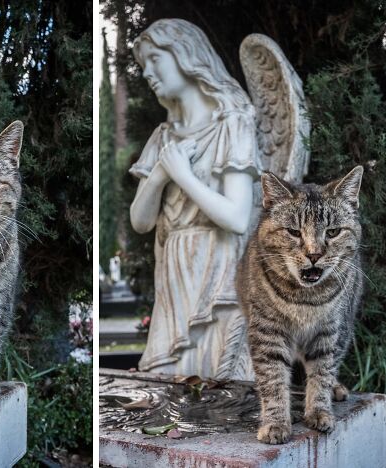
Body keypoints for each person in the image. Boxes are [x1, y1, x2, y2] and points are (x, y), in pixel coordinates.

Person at [129, 19, 261, 379]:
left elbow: (237, 218)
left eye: (155, 59)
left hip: (219, 269)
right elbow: (140, 221)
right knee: (170, 384)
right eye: (143, 66)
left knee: (220, 385)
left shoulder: (234, 123)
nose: (148, 73)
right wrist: (160, 173)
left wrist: (183, 176)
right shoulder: (163, 137)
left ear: (186, 54)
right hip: (173, 271)